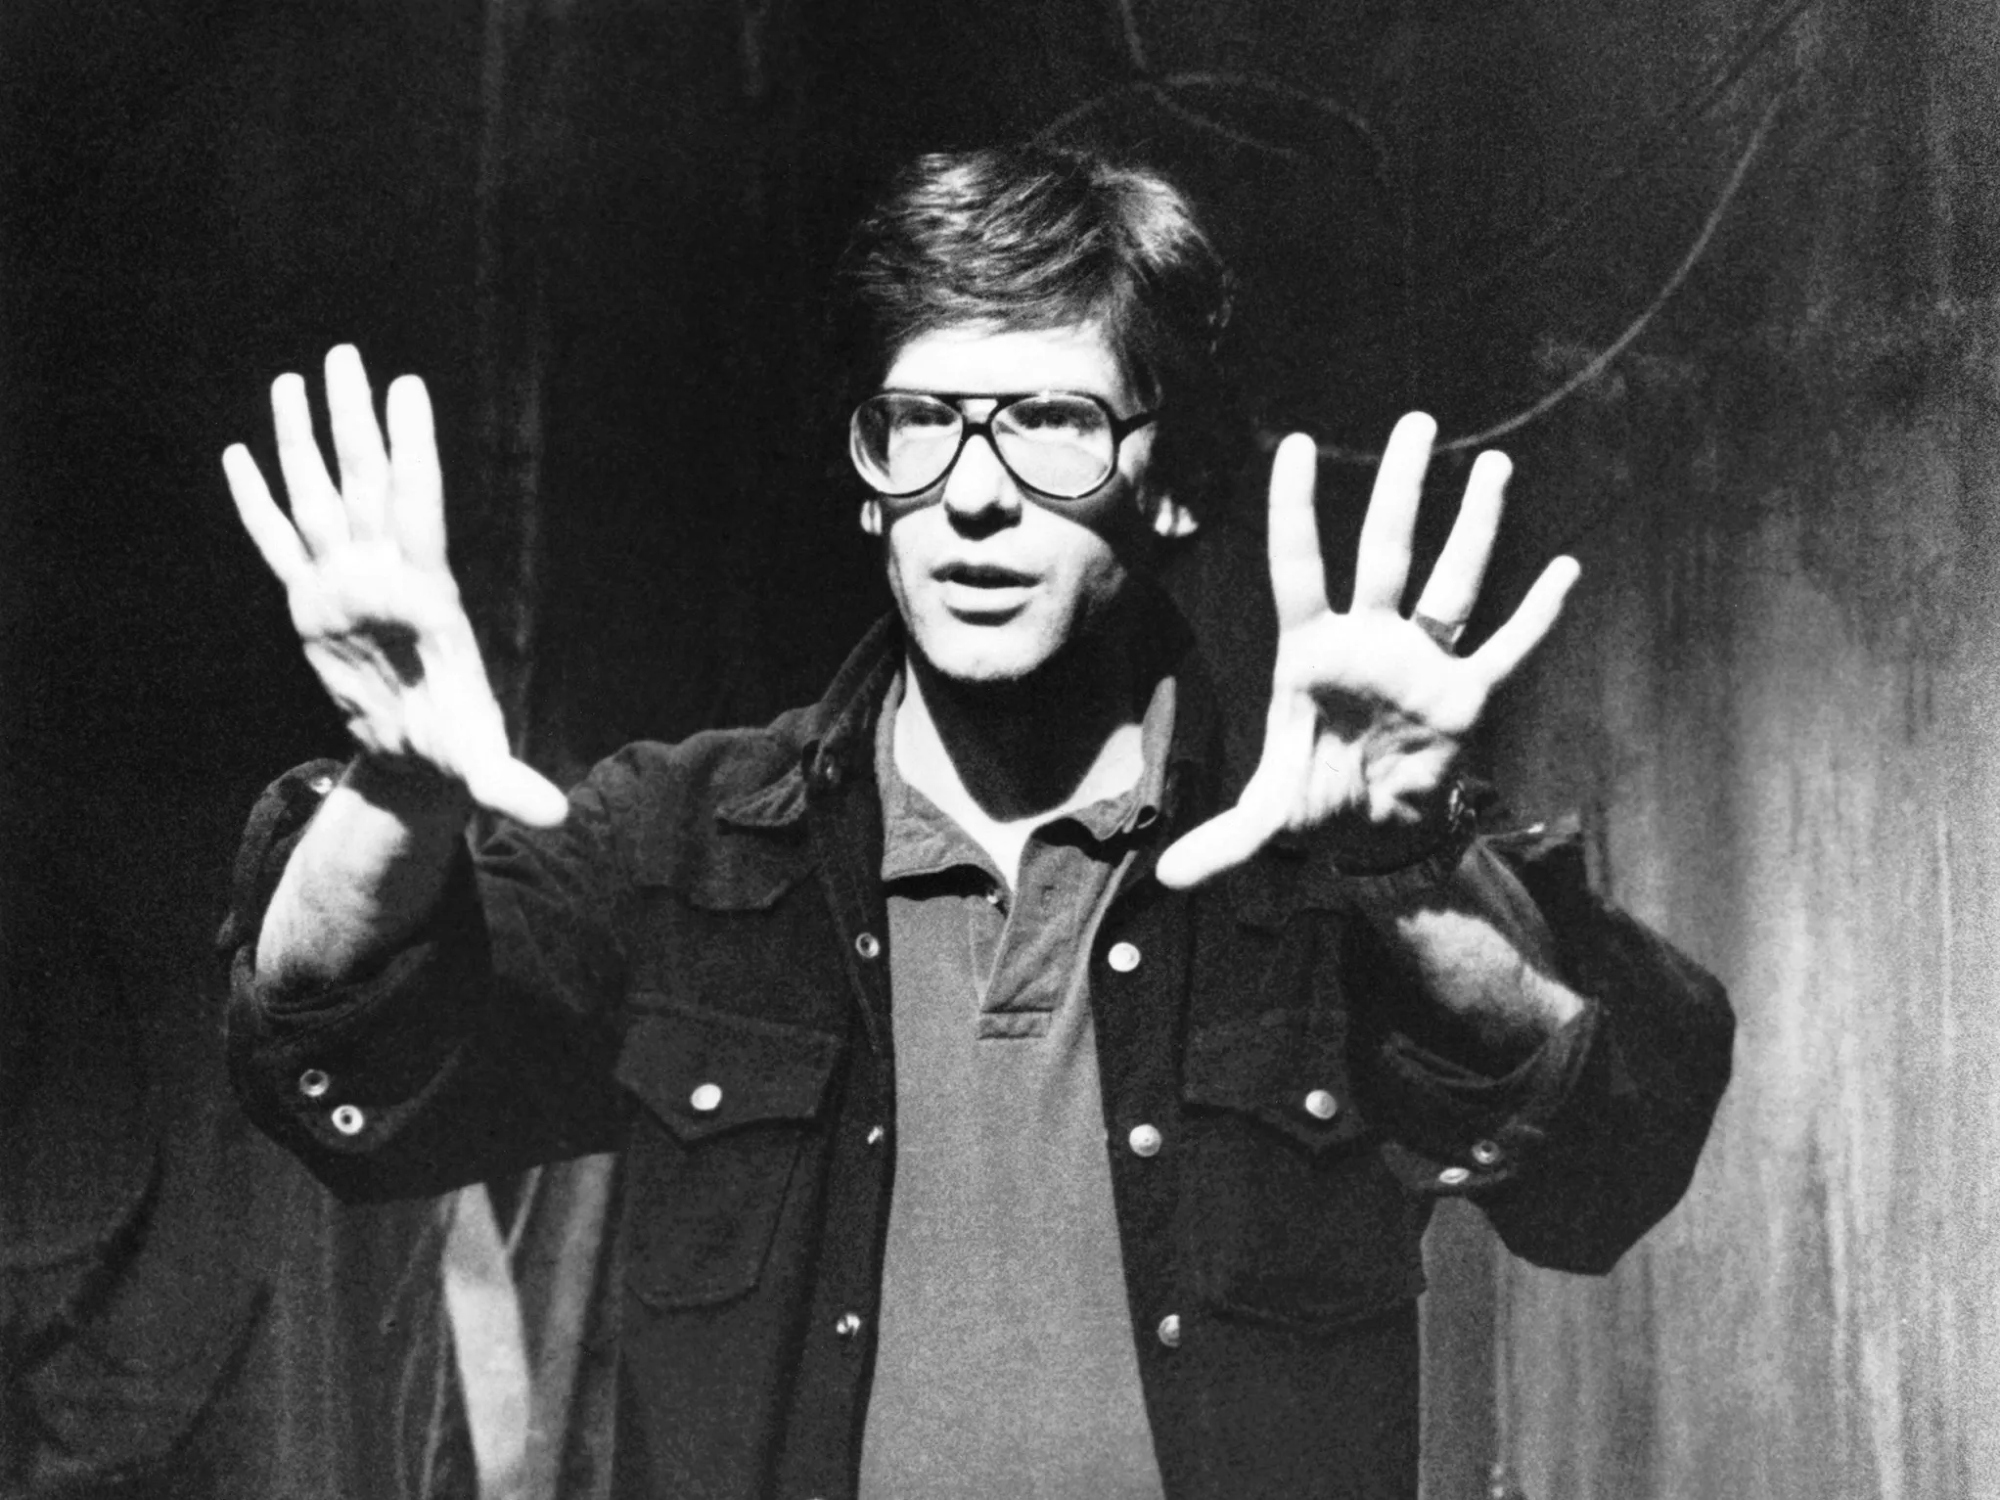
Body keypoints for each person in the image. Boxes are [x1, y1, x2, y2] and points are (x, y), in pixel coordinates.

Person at [218, 146, 1734, 1500]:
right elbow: (338, 1057)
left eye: (1052, 423)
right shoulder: (683, 847)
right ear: (869, 484)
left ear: (1171, 485)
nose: (975, 495)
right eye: (921, 426)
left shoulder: (1315, 859)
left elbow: (1614, 1161)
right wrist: (393, 792)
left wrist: (1402, 868)